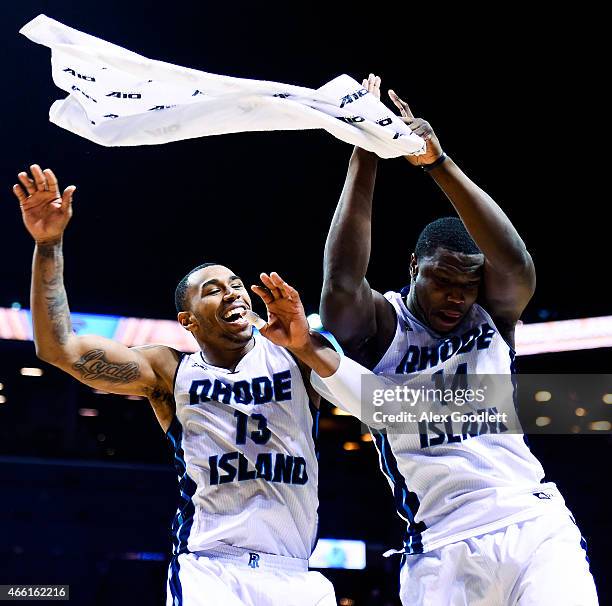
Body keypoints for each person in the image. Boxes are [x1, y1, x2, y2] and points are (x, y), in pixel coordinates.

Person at [318, 74, 599, 605]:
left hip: (532, 520)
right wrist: (367, 150)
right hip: (442, 541)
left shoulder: (492, 313)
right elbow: (341, 283)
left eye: (465, 286)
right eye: (441, 281)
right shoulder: (380, 322)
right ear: (413, 266)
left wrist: (437, 164)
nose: (454, 297)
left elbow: (515, 262)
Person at [12, 164, 345, 606]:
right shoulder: (170, 370)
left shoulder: (296, 356)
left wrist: (305, 338)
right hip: (210, 569)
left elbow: (365, 393)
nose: (232, 293)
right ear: (187, 321)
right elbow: (59, 348)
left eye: (236, 284)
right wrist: (48, 244)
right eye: (213, 289)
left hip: (295, 574)